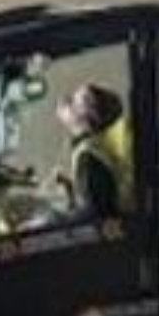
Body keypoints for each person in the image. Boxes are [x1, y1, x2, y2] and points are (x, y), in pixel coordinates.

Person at [58, 81, 134, 220]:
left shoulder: (89, 156)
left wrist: (60, 218)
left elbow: (95, 217)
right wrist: (71, 189)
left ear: (85, 120)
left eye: (73, 104)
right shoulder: (123, 133)